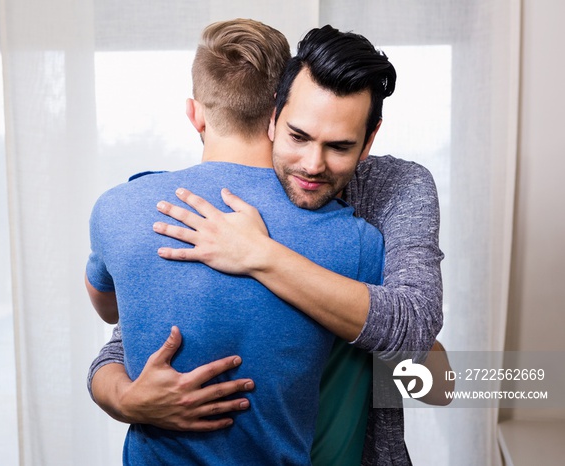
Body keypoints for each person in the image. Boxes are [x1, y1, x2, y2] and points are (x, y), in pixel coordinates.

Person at [89, 23, 449, 465]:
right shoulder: (202, 216)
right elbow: (124, 339)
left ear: (369, 140)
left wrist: (262, 256)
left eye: (339, 146)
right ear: (272, 119)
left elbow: (429, 359)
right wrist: (125, 400)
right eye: (299, 136)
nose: (313, 165)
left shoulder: (388, 198)